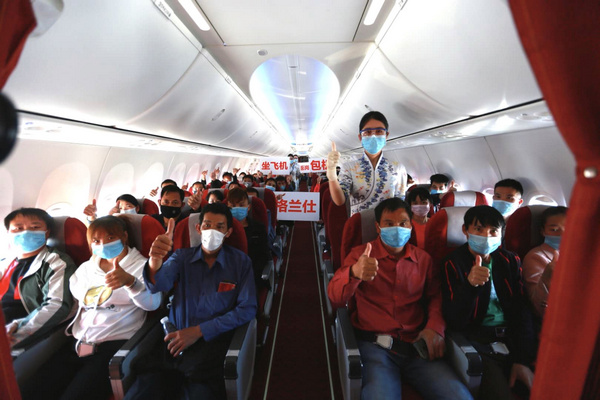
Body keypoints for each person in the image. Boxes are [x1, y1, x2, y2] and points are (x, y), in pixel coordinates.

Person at [328, 198, 472, 400]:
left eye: (403, 223)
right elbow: (335, 297)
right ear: (378, 227)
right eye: (389, 223)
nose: (397, 228)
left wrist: (434, 328)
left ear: (411, 225)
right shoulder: (360, 255)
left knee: (459, 396)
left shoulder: (423, 260)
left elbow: (435, 298)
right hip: (375, 348)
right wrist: (353, 273)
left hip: (417, 347)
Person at [20, 216, 161, 400]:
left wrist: (130, 283)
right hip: (78, 342)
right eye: (96, 241)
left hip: (113, 347)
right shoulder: (86, 268)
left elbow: (152, 304)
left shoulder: (142, 266)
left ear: (125, 236)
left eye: (110, 238)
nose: (103, 245)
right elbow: (76, 304)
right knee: (31, 391)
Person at [125, 203, 256, 400]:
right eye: (207, 225)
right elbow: (158, 284)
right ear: (198, 228)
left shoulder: (240, 262)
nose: (212, 231)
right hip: (173, 341)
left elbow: (247, 309)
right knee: (143, 391)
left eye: (219, 227)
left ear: (228, 232)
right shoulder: (181, 257)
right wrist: (155, 260)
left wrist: (199, 331)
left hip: (211, 345)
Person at [441, 205, 535, 399]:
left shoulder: (509, 261)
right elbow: (455, 321)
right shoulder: (453, 263)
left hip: (513, 338)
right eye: (478, 229)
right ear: (465, 230)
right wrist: (470, 287)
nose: (486, 236)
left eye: (493, 231)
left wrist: (522, 360)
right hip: (478, 341)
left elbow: (521, 311)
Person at [2, 208, 76, 349]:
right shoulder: (5, 263)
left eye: (35, 227)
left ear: (47, 233)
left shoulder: (56, 263)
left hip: (19, 329)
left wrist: (19, 332)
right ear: (8, 234)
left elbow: (56, 305)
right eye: (18, 228)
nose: (25, 232)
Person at [327, 111, 407, 216]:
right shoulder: (349, 167)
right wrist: (332, 177)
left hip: (388, 224)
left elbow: (400, 204)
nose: (373, 136)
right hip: (359, 224)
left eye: (379, 131)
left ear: (386, 135)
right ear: (360, 137)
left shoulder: (398, 168)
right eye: (368, 132)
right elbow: (339, 201)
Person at [522, 206, 567, 319]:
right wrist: (547, 277)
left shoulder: (582, 253)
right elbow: (538, 307)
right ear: (543, 231)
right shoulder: (536, 257)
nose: (563, 234)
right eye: (554, 230)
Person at [227, 188, 271, 297]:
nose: (237, 208)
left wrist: (249, 274)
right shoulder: (223, 229)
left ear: (248, 207)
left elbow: (263, 255)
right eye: (233, 206)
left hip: (251, 274)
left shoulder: (258, 228)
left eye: (241, 205)